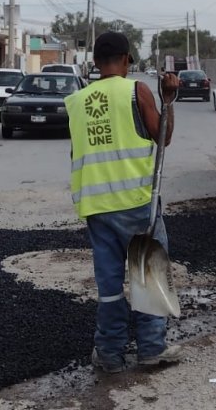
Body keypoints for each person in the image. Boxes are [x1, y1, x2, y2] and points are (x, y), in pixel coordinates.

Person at [65, 32, 183, 373]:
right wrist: (169, 100)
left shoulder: (77, 101)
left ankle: (110, 354)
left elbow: (78, 153)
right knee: (148, 274)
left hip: (96, 206)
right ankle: (150, 348)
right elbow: (164, 138)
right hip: (135, 203)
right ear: (127, 60)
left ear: (95, 62)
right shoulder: (136, 91)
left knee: (109, 284)